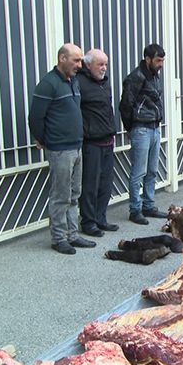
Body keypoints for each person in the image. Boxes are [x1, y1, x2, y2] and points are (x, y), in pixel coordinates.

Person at [29, 44, 96, 254]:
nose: (79, 65)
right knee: (61, 195)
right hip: (60, 149)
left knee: (75, 193)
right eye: (75, 61)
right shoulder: (48, 84)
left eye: (80, 60)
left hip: (76, 146)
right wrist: (45, 140)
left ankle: (72, 235)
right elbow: (35, 118)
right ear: (62, 58)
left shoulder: (73, 81)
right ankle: (59, 238)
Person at [119, 44, 169, 225]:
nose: (161, 63)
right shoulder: (136, 77)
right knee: (138, 172)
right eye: (158, 60)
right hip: (141, 128)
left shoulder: (154, 75)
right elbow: (125, 105)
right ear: (147, 59)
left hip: (155, 127)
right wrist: (130, 128)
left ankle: (148, 205)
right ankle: (135, 210)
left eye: (162, 60)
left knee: (152, 170)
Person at [76, 49, 119, 237]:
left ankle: (101, 218)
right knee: (90, 185)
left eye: (106, 64)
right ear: (88, 64)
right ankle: (88, 222)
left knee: (105, 183)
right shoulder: (79, 83)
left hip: (107, 140)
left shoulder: (105, 83)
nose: (104, 68)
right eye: (100, 64)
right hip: (91, 143)